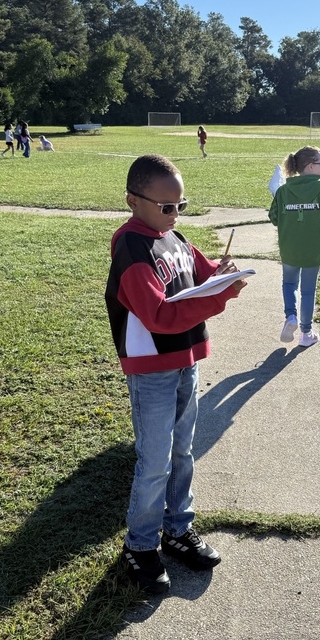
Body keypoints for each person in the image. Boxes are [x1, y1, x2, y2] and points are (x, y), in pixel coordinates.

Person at [105, 153, 249, 594]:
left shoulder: (176, 238)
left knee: (183, 452)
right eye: (166, 206)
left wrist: (222, 275)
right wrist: (218, 298)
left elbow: (199, 273)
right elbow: (159, 317)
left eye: (180, 206)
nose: (173, 214)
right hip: (153, 369)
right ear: (133, 200)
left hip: (187, 361)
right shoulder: (131, 245)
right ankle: (141, 546)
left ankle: (176, 528)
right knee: (154, 461)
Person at [269, 145, 320, 348]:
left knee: (289, 284)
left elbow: (274, 218)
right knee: (308, 290)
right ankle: (306, 332)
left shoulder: (282, 191)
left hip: (290, 249)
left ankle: (291, 316)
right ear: (310, 166)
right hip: (313, 249)